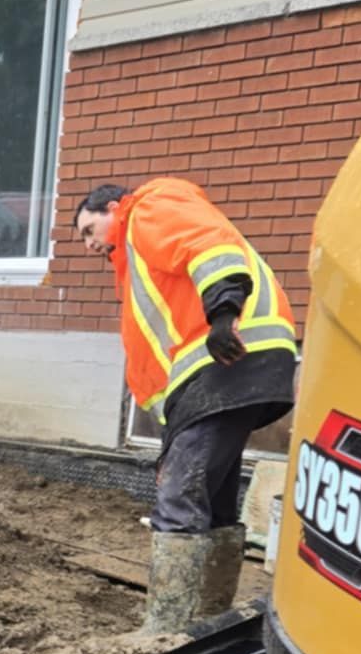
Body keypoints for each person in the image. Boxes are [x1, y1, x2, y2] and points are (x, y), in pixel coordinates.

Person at [74, 177, 298, 630]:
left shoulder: (148, 208)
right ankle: (208, 623)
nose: (87, 245)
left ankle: (164, 636)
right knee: (212, 505)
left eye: (87, 230)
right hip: (226, 371)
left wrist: (222, 314)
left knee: (178, 501)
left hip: (225, 358)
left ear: (115, 207)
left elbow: (209, 244)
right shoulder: (138, 261)